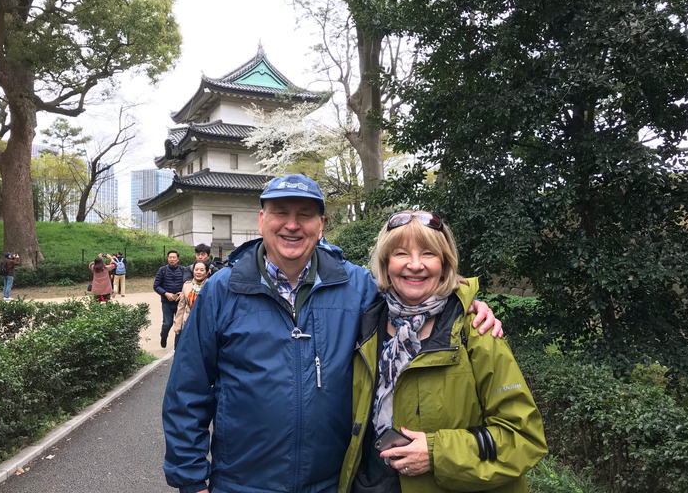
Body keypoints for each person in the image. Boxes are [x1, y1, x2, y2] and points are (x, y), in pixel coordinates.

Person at [162, 174, 502, 493]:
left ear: (321, 225)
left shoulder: (357, 286)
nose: (292, 225)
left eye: (305, 215)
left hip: (332, 481)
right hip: (240, 482)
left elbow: (414, 295)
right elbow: (187, 388)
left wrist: (463, 301)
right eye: (281, 212)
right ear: (262, 220)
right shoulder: (223, 291)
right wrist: (191, 478)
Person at [339, 211, 547, 493]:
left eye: (428, 253)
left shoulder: (475, 330)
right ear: (386, 264)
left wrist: (438, 453)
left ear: (445, 264)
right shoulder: (366, 326)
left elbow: (523, 437)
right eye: (401, 253)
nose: (415, 265)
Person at [171, 260, 208, 350]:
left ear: (207, 272)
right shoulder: (187, 285)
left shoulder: (210, 285)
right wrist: (177, 324)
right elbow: (181, 305)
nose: (198, 272)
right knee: (189, 347)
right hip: (189, 321)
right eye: (196, 269)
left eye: (202, 270)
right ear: (193, 271)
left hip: (205, 322)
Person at [153, 250, 184, 348]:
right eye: (170, 257)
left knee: (179, 325)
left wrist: (182, 293)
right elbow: (156, 286)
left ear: (178, 259)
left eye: (174, 257)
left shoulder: (183, 270)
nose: (172, 259)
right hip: (166, 302)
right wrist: (165, 293)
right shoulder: (162, 270)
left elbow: (188, 284)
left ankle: (177, 347)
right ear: (167, 259)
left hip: (180, 303)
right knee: (167, 323)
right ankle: (163, 336)